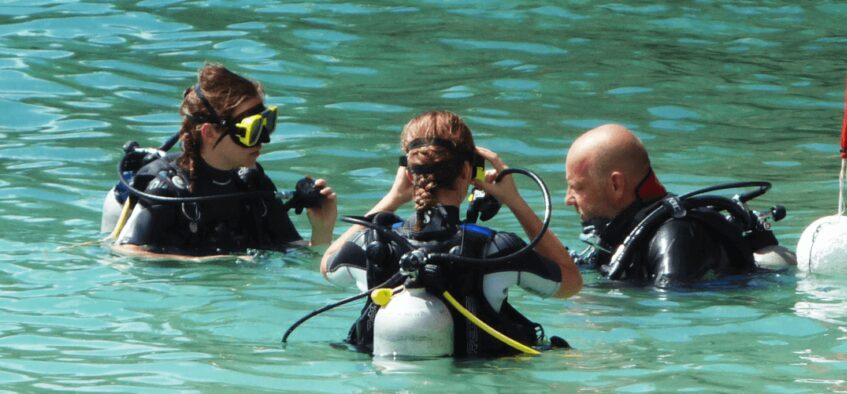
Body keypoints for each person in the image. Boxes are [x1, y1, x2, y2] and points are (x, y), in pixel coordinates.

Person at [321, 110, 581, 357]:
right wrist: (515, 201)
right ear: (467, 172)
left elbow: (327, 263)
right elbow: (571, 282)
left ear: (409, 174)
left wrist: (391, 198)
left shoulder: (371, 244)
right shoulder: (497, 248)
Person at [113, 64, 337, 260]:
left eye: (266, 124)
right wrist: (204, 262)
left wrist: (322, 231)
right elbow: (127, 251)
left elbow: (295, 253)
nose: (264, 139)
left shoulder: (251, 183)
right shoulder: (168, 190)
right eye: (252, 130)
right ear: (209, 132)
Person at [564, 124, 794, 288]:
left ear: (616, 185)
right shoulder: (619, 234)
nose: (568, 199)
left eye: (578, 188)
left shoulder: (676, 235)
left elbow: (673, 312)